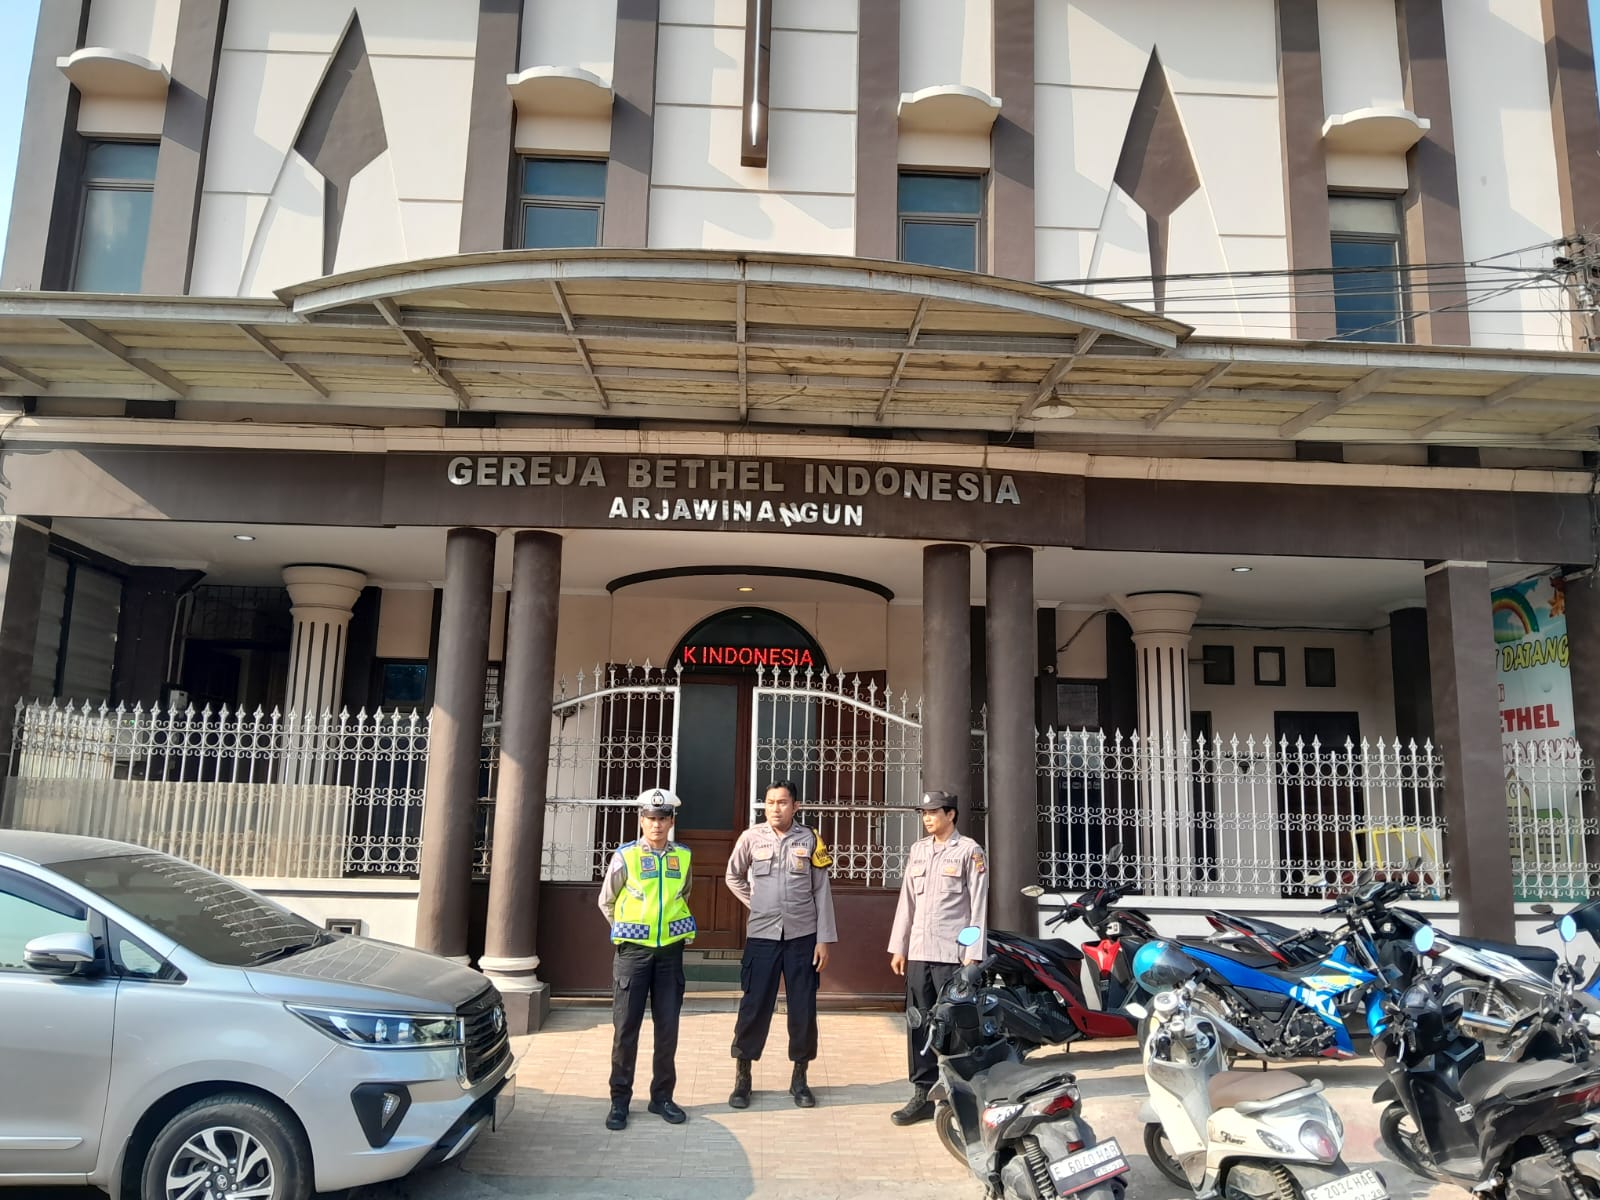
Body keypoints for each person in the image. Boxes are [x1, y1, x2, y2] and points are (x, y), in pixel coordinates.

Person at [724, 779, 837, 1109]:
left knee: (803, 1008)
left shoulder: (810, 839)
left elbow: (821, 890)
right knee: (754, 1006)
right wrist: (757, 903)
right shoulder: (750, 838)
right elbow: (733, 876)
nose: (775, 808)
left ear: (795, 806)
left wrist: (824, 939)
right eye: (770, 802)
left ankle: (800, 1078)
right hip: (762, 937)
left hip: (802, 937)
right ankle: (743, 1077)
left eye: (782, 802)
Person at [886, 789, 989, 1125]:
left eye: (933, 812)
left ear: (951, 814)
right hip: (919, 952)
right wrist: (899, 946)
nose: (927, 818)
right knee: (919, 1023)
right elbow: (907, 902)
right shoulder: (918, 850)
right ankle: (922, 1092)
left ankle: (960, 1095)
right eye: (924, 813)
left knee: (954, 1027)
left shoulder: (969, 851)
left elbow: (978, 906)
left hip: (952, 955)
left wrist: (973, 955)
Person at [597, 787, 696, 1130]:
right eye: (651, 818)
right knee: (626, 1030)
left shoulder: (683, 856)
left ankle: (662, 1097)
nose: (656, 824)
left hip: (670, 954)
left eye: (663, 818)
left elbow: (684, 894)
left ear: (671, 821)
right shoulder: (625, 856)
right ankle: (619, 1101)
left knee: (668, 1029)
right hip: (633, 955)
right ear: (641, 820)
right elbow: (607, 901)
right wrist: (630, 930)